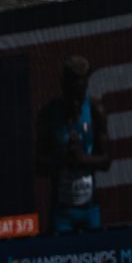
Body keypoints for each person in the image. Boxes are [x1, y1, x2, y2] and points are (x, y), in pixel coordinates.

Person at [34, 55, 111, 234]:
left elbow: (106, 161)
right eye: (71, 94)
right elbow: (38, 165)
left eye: (80, 95)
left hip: (90, 209)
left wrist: (83, 159)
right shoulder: (49, 114)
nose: (75, 102)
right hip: (62, 212)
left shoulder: (96, 111)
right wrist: (63, 160)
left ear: (86, 85)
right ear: (63, 84)